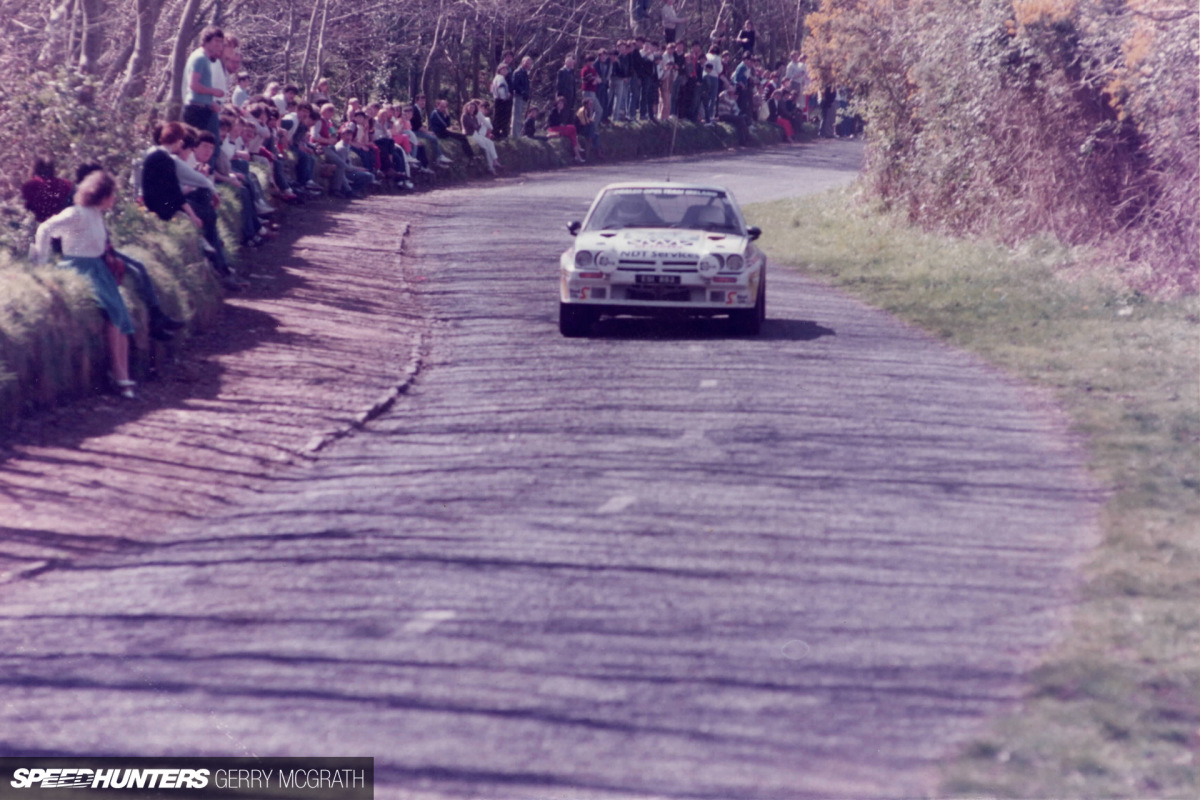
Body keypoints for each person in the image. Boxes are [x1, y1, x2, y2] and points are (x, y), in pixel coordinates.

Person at [31, 171, 137, 397]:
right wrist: (41, 260)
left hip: (98, 269)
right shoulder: (76, 212)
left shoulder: (97, 213)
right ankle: (120, 377)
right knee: (113, 315)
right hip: (79, 268)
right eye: (112, 195)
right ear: (102, 194)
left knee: (120, 317)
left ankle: (124, 375)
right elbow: (45, 228)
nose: (114, 199)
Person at [182, 27, 226, 166]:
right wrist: (214, 92)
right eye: (216, 41)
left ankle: (205, 178)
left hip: (204, 107)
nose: (219, 44)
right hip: (196, 109)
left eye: (221, 41)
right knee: (196, 146)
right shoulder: (200, 58)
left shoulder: (206, 59)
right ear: (206, 40)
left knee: (209, 147)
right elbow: (193, 85)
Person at [21, 156, 73, 224]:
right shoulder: (65, 184)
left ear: (34, 169)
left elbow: (26, 207)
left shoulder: (30, 185)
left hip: (38, 224)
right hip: (61, 222)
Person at [462, 100, 500, 175]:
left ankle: (493, 165)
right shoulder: (465, 116)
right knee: (486, 149)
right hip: (470, 134)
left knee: (489, 143)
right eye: (470, 108)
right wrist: (478, 126)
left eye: (473, 108)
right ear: (467, 108)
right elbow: (473, 126)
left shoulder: (473, 116)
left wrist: (479, 126)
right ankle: (491, 168)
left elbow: (477, 126)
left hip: (476, 133)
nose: (472, 109)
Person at [547, 96, 585, 163]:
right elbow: (551, 122)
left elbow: (559, 121)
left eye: (562, 104)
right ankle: (578, 147)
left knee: (572, 135)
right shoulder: (554, 111)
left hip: (558, 128)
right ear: (557, 103)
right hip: (553, 129)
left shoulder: (560, 111)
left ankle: (578, 156)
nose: (561, 105)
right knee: (573, 128)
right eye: (559, 103)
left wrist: (561, 124)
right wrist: (560, 124)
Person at [510, 56, 532, 137]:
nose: (528, 65)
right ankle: (514, 135)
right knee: (516, 116)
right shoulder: (517, 72)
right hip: (518, 96)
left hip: (523, 98)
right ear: (522, 62)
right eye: (526, 63)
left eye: (529, 63)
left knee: (520, 116)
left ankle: (517, 134)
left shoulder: (525, 73)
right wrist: (522, 92)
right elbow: (514, 85)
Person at [490, 64, 513, 139]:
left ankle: (496, 133)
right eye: (503, 70)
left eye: (506, 69)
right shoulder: (500, 78)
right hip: (501, 100)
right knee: (501, 117)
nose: (505, 71)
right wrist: (506, 97)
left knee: (498, 117)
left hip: (498, 100)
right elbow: (501, 89)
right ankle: (498, 134)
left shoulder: (497, 78)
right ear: (499, 70)